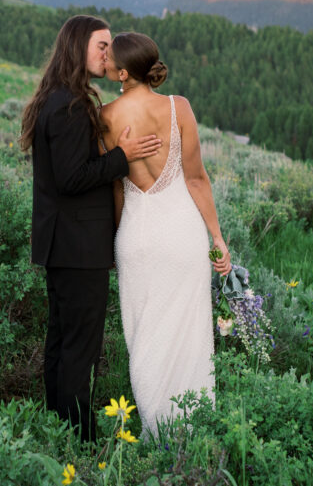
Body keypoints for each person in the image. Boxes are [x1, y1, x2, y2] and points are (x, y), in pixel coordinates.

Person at [20, 15, 161, 443]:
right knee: (79, 349)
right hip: (78, 245)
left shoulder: (62, 97)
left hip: (64, 243)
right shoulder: (69, 105)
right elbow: (72, 178)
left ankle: (58, 430)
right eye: (101, 46)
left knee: (63, 344)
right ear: (78, 46)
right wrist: (123, 154)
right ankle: (80, 440)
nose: (108, 53)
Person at [99, 31, 232, 439]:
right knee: (188, 333)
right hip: (181, 233)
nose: (103, 60)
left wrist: (117, 239)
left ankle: (155, 431)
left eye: (109, 57)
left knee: (143, 334)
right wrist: (217, 237)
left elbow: (116, 187)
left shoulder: (105, 116)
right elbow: (195, 179)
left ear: (123, 72)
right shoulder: (179, 107)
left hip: (137, 236)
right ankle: (191, 431)